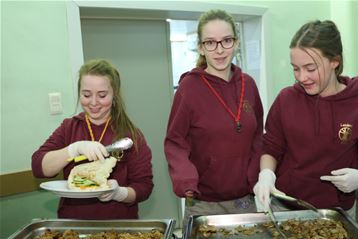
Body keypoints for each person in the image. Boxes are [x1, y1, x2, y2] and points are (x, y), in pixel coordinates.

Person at [253, 20, 358, 219]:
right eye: (295, 68)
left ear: (335, 61)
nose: (301, 77)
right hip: (286, 206)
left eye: (310, 68)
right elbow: (271, 148)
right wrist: (266, 175)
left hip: (337, 211)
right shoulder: (286, 99)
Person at [164, 9, 263, 226]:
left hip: (244, 200)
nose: (219, 50)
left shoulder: (249, 85)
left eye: (226, 40)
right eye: (210, 42)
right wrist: (186, 181)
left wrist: (255, 175)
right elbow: (175, 141)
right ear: (200, 47)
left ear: (236, 43)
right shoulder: (188, 88)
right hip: (202, 201)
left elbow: (258, 136)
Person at [32, 59, 154, 219]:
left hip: (118, 227)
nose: (94, 102)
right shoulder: (69, 127)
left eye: (102, 95)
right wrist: (73, 149)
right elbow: (39, 167)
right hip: (73, 226)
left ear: (114, 94)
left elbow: (144, 187)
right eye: (86, 95)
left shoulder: (130, 135)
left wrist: (119, 193)